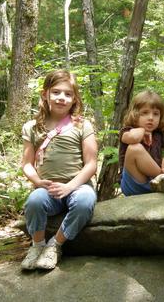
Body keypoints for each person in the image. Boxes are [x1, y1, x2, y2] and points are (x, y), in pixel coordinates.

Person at [20, 70, 97, 270]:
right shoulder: (32, 127)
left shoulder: (82, 125)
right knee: (35, 201)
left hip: (77, 185)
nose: (61, 98)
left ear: (74, 99)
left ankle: (55, 245)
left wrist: (70, 187)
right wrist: (37, 181)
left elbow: (91, 164)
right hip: (47, 187)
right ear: (45, 94)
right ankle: (37, 245)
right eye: (56, 92)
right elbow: (26, 163)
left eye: (68, 94)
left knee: (84, 201)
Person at [119, 90, 164, 196]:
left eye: (156, 114)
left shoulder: (160, 135)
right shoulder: (127, 131)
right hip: (135, 182)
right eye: (145, 113)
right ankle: (162, 178)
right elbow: (134, 138)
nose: (151, 118)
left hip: (156, 182)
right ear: (135, 114)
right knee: (135, 148)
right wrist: (143, 131)